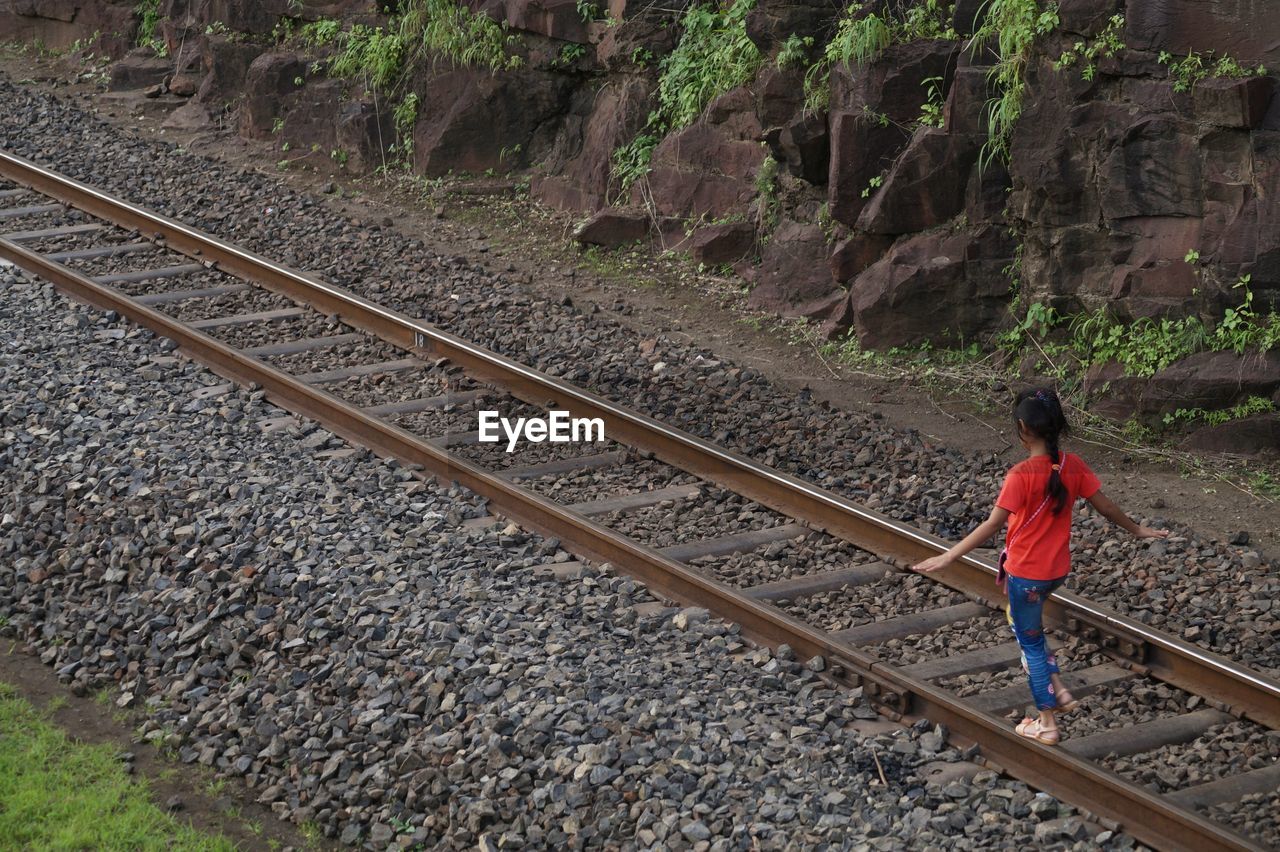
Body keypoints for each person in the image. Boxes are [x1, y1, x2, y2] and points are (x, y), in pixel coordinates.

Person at [911, 388, 1168, 745]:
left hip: (1026, 576)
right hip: (1055, 573)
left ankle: (1046, 721)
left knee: (1028, 643)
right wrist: (1137, 529)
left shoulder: (1020, 475)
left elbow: (992, 524)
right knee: (1025, 627)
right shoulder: (1072, 465)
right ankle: (1058, 689)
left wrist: (949, 556)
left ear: (1022, 428)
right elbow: (1106, 507)